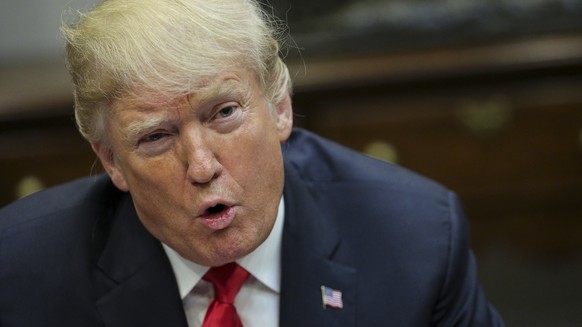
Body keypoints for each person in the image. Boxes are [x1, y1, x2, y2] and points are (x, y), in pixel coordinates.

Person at [0, 0, 504, 326]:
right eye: (156, 136)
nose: (201, 166)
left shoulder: (417, 240)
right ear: (111, 160)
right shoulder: (21, 270)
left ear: (279, 107)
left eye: (223, 113)